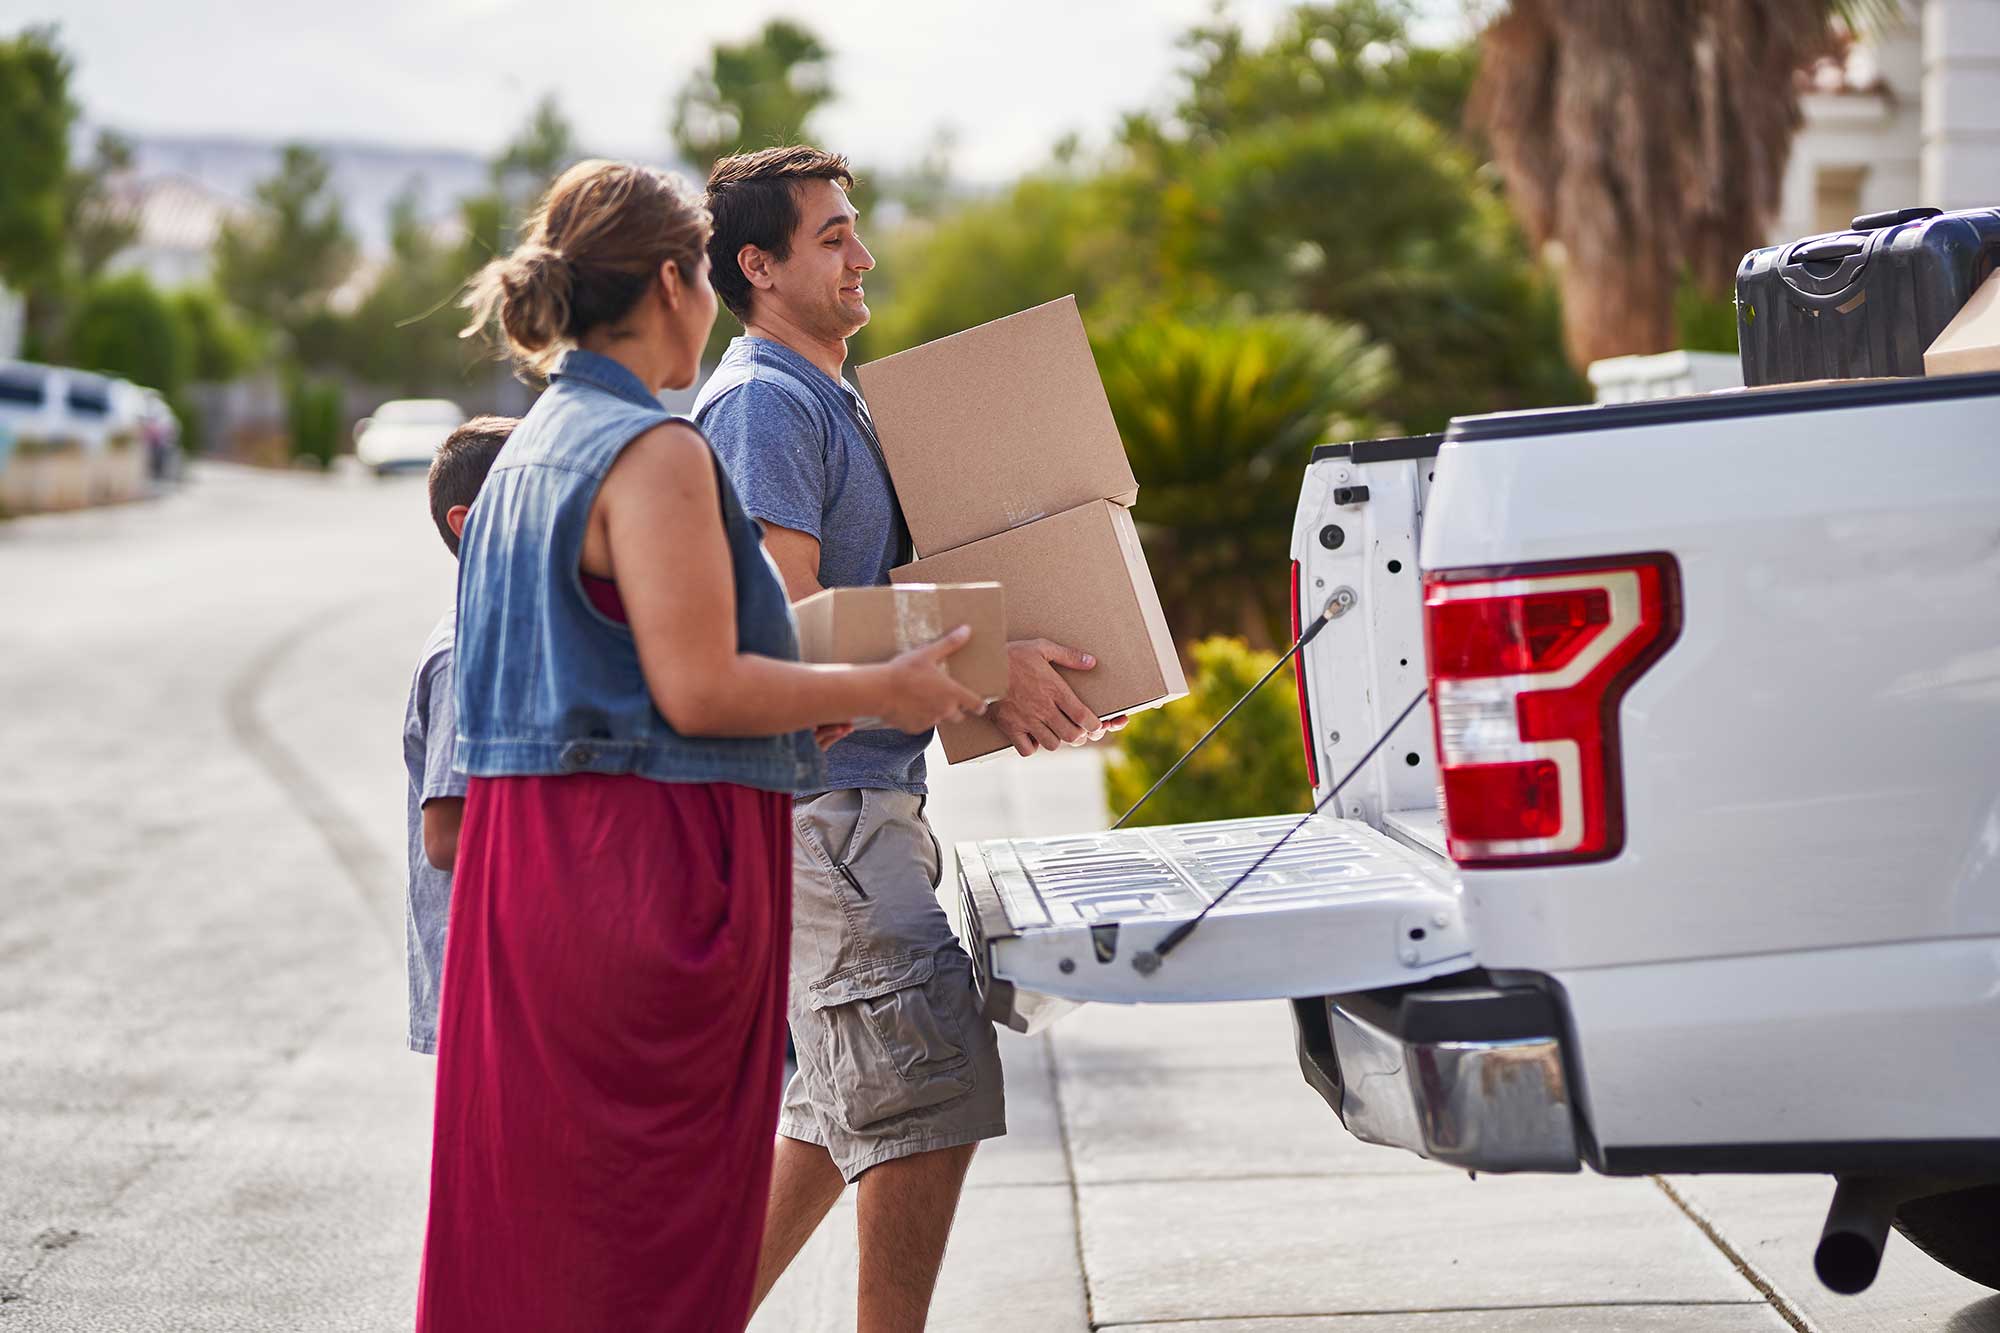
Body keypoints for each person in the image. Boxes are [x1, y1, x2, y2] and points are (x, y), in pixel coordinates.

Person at [414, 158, 985, 1333]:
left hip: (535, 885)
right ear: (679, 282)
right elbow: (700, 682)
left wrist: (806, 701)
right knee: (649, 1239)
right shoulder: (650, 449)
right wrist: (889, 681)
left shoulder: (524, 452)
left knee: (548, 1239)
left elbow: (608, 683)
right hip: (641, 888)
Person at [695, 145, 1121, 1332]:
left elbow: (879, 604)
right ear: (757, 266)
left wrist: (1037, 678)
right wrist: (990, 662)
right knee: (927, 1084)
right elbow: (779, 633)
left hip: (858, 805)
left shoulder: (829, 398)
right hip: (815, 813)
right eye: (830, 237)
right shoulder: (764, 405)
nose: (861, 254)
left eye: (853, 229)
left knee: (844, 1114)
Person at [400, 415, 514, 1057]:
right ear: (469, 525)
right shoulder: (469, 649)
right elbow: (446, 836)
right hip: (487, 974)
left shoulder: (517, 630)